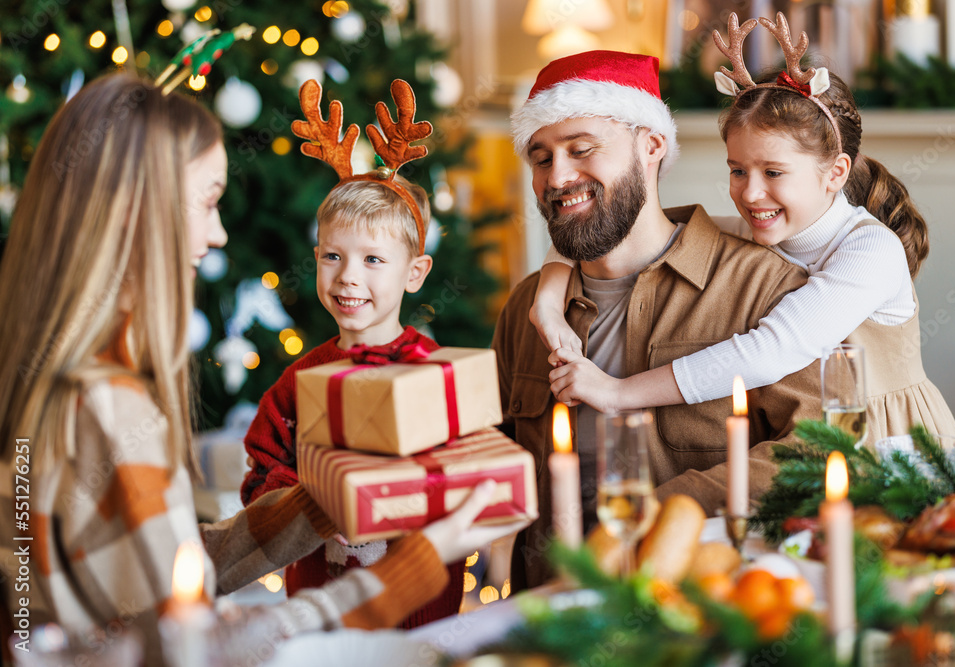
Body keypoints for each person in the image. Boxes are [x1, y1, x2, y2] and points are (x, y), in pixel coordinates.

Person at [0, 73, 524, 666]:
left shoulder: (50, 387)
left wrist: (331, 496)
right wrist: (416, 563)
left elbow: (157, 582)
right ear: (134, 213)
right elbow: (201, 647)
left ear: (414, 271)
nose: (220, 232)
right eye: (207, 201)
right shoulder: (111, 407)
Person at [529, 16, 955, 443]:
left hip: (896, 442)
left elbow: (772, 350)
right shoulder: (756, 232)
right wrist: (548, 299)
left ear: (836, 172)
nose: (751, 193)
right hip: (834, 438)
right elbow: (614, 231)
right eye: (737, 170)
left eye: (773, 172)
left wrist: (618, 391)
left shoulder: (871, 250)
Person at [494, 49, 823, 592]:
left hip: (704, 621)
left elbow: (819, 450)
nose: (558, 176)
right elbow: (492, 455)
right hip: (549, 622)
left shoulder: (763, 288)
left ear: (651, 146)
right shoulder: (529, 307)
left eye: (581, 150)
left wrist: (669, 509)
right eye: (541, 158)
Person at [240, 176, 466, 625]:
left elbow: (471, 470)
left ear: (415, 273)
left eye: (373, 259)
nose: (348, 276)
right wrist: (305, 504)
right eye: (332, 256)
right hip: (322, 615)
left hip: (422, 615)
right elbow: (260, 476)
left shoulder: (437, 374)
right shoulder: (299, 380)